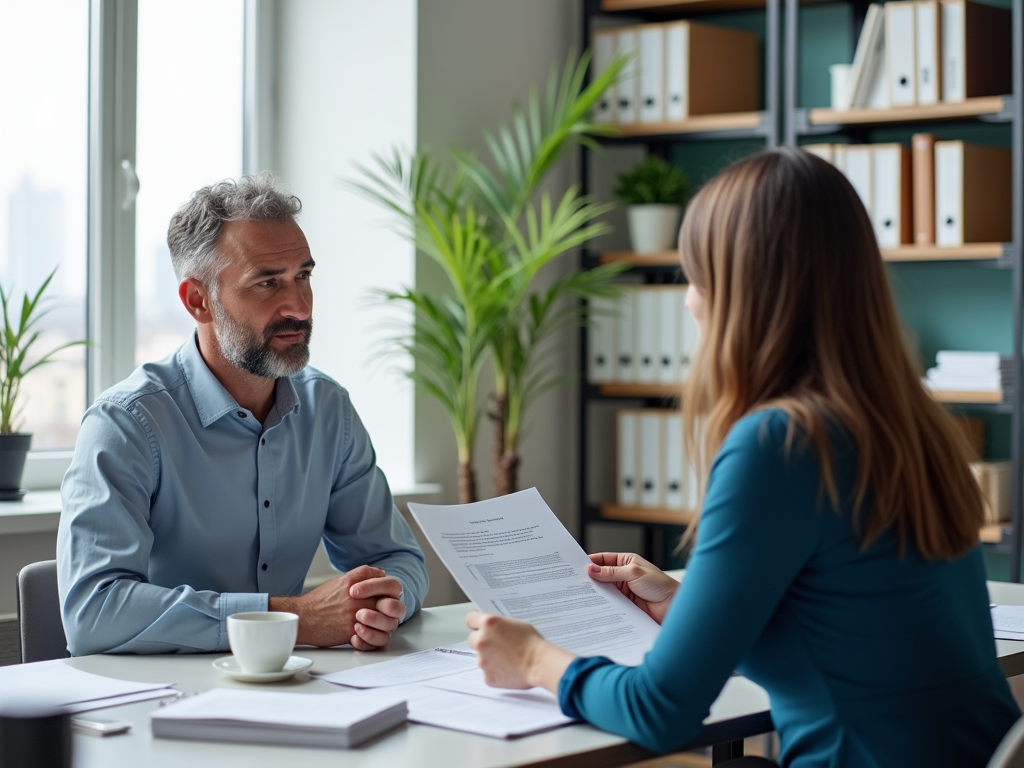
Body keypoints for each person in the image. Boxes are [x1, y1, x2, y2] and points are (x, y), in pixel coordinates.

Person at [464, 148, 1021, 767]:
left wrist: (536, 659)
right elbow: (850, 621)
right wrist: (686, 603)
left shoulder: (779, 445)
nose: (688, 302)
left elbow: (659, 709)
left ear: (747, 292)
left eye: (699, 278)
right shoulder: (915, 426)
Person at [58, 174, 428, 656]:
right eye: (267, 282)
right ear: (198, 300)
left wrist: (381, 605)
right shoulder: (125, 424)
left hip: (298, 691)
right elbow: (93, 612)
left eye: (303, 276)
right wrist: (291, 619)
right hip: (160, 702)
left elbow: (396, 559)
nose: (298, 305)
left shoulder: (328, 411)